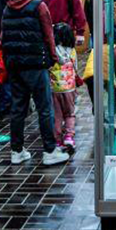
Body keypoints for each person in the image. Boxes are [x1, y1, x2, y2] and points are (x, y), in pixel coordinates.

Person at [2, 0, 71, 167]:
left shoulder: (8, 6)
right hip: (35, 64)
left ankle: (17, 150)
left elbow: (3, 37)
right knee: (45, 108)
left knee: (18, 108)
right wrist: (52, 59)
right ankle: (49, 150)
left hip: (14, 65)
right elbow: (49, 36)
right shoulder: (38, 5)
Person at [50, 22, 79, 153]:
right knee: (69, 114)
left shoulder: (52, 51)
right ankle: (69, 137)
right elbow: (76, 68)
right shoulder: (72, 51)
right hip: (69, 89)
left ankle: (57, 140)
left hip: (54, 89)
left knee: (57, 115)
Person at [82, 33, 116, 114]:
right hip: (104, 73)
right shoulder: (114, 47)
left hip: (89, 74)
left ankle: (96, 108)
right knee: (113, 91)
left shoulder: (96, 47)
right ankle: (111, 111)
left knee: (94, 93)